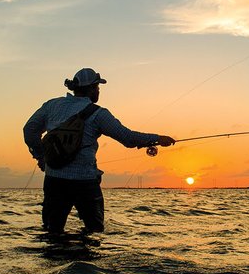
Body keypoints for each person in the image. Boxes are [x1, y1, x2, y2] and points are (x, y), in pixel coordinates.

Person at [23, 68, 175, 234]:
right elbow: (128, 138)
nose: (98, 91)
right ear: (91, 88)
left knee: (52, 232)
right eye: (97, 87)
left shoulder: (52, 105)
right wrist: (158, 138)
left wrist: (41, 157)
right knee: (94, 232)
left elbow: (29, 130)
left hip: (54, 180)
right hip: (85, 182)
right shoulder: (99, 114)